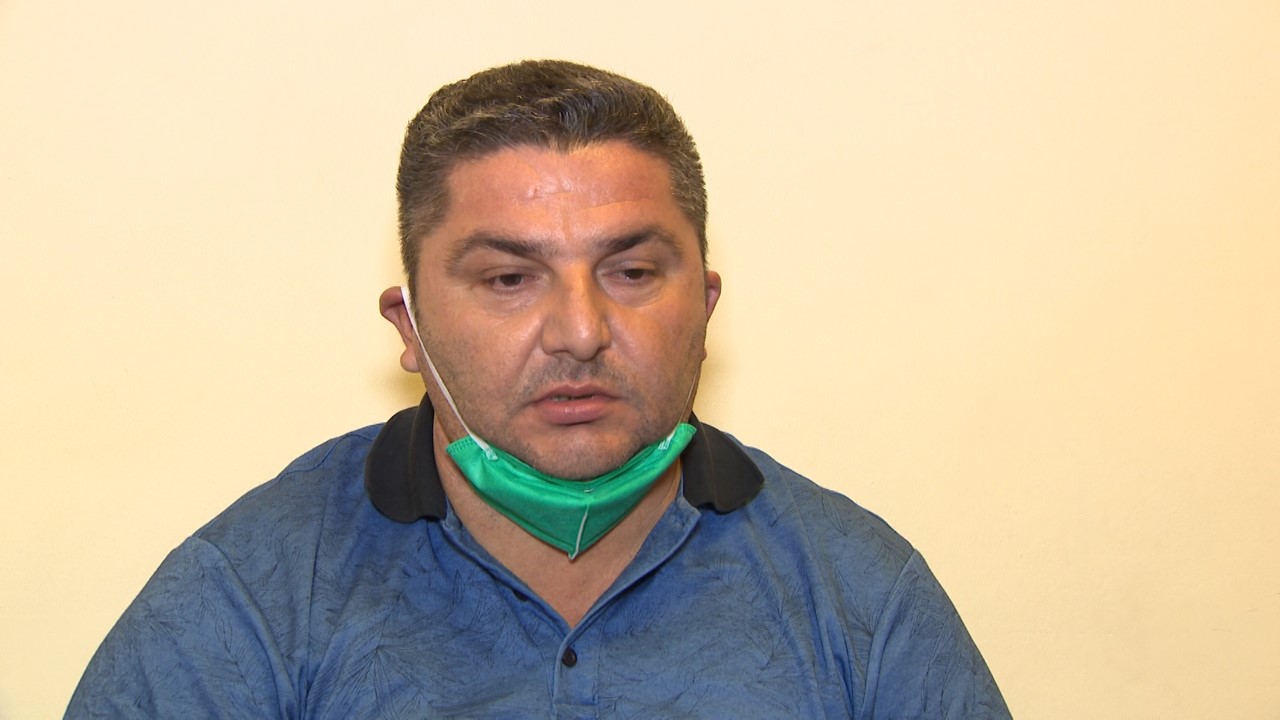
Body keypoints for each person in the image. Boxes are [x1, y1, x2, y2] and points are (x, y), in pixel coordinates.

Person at [67, 60, 1010, 719]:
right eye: (509, 278)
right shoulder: (251, 595)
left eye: (631, 272)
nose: (580, 331)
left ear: (705, 305)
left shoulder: (860, 595)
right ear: (409, 325)